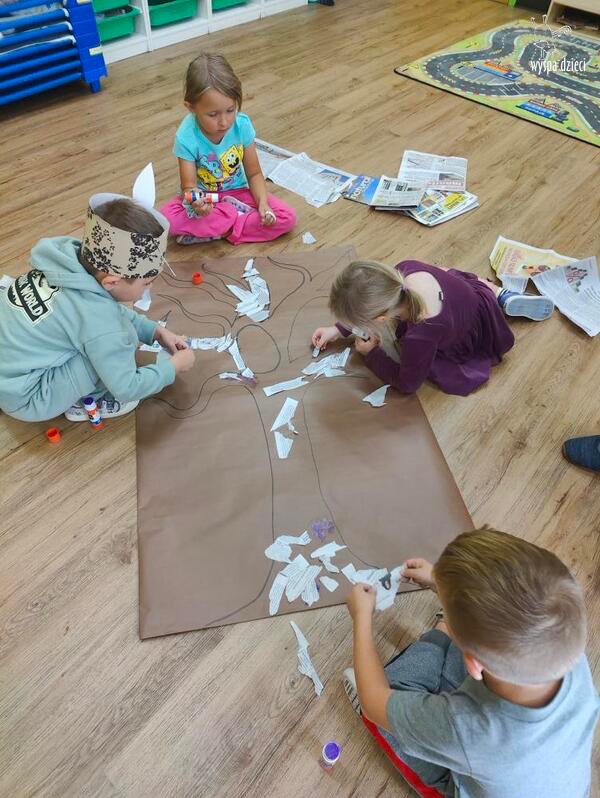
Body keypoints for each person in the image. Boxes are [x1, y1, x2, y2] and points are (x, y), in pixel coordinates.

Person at [343, 527, 599, 798]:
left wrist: (361, 617)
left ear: (475, 665)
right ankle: (450, 628)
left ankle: (445, 630)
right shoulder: (565, 643)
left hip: (470, 774)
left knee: (387, 692)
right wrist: (445, 584)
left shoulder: (467, 728)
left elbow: (373, 701)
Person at [0, 195, 194, 423]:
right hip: (27, 399)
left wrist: (156, 331)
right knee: (121, 341)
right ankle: (90, 401)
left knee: (105, 336)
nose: (149, 288)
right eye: (146, 283)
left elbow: (95, 311)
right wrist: (173, 367)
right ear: (111, 282)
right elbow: (128, 387)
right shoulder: (101, 322)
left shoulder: (67, 264)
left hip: (11, 372)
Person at [312, 260, 554, 396]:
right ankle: (499, 293)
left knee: (436, 368)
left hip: (472, 333)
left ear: (382, 318)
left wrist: (372, 354)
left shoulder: (419, 337)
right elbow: (372, 298)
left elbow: (407, 384)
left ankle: (501, 295)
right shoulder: (404, 269)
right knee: (447, 270)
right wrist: (338, 329)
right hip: (477, 302)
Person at [160, 52, 297, 246]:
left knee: (287, 217)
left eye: (231, 110)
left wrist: (263, 204)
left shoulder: (242, 125)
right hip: (207, 198)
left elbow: (254, 173)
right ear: (191, 107)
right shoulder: (186, 136)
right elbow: (188, 189)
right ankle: (234, 221)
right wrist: (198, 204)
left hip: (239, 194)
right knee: (167, 220)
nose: (224, 122)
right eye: (213, 114)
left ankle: (219, 229)